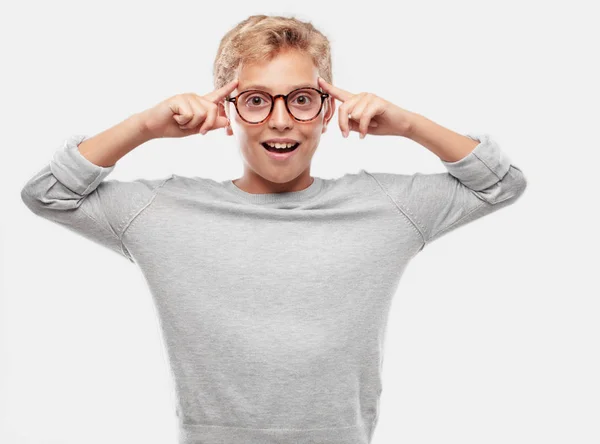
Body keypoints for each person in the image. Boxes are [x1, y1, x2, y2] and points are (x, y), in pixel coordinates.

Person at [20, 14, 527, 444]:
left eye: (301, 99)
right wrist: (144, 127)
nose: (280, 120)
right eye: (257, 100)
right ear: (228, 112)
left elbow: (500, 184)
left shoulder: (385, 206)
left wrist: (408, 123)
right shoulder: (164, 210)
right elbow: (47, 193)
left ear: (328, 111)